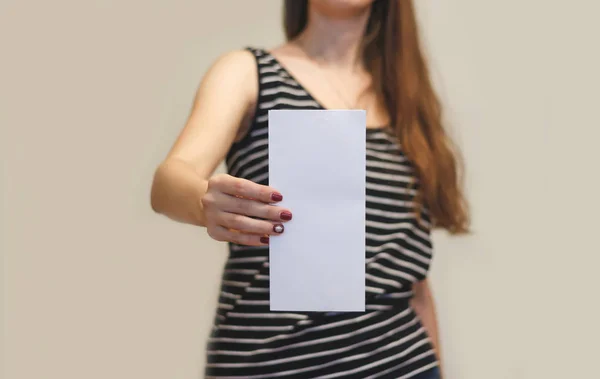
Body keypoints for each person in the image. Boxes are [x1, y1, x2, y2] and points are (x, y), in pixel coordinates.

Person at [151, 0, 469, 377]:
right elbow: (170, 180)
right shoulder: (247, 73)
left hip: (401, 364)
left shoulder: (405, 106)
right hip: (270, 366)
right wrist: (203, 203)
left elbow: (412, 281)